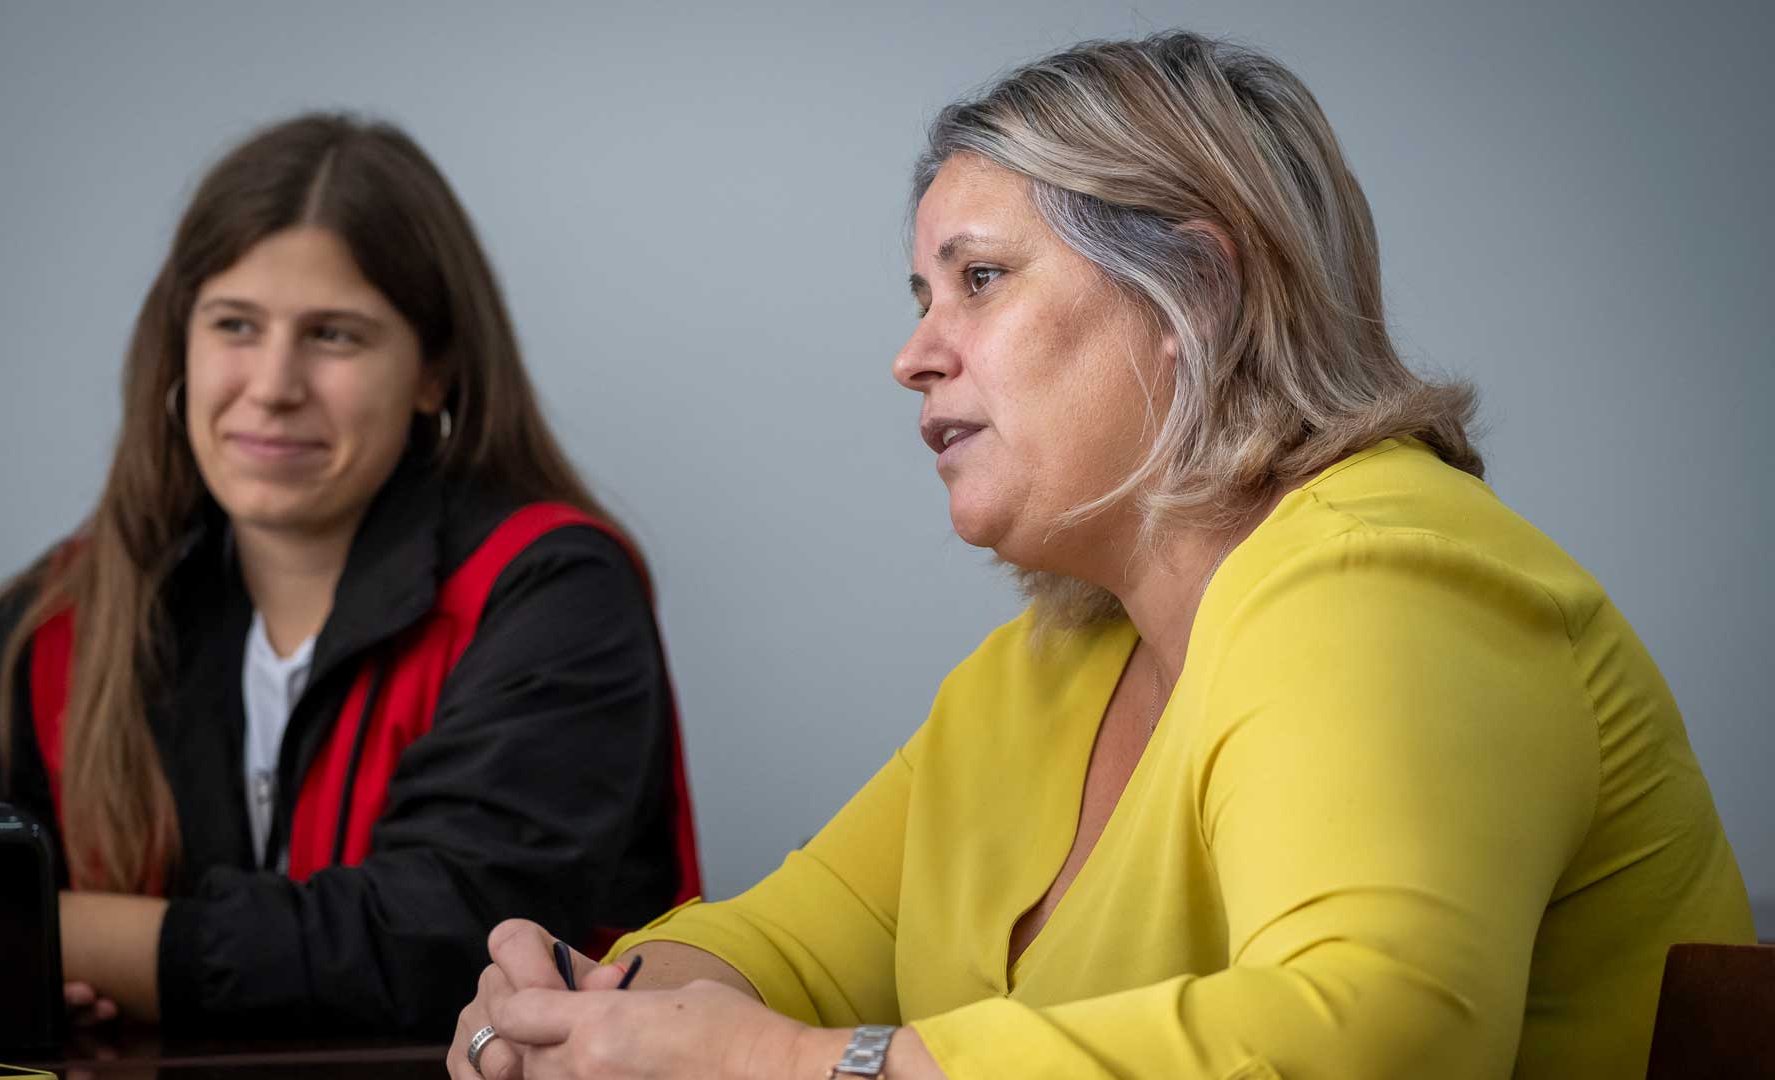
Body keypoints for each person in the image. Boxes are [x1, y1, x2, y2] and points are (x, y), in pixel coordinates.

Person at [448, 31, 1754, 1080]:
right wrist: (592, 1018)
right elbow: (777, 944)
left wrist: (816, 1068)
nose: (913, 353)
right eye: (919, 298)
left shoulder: (1389, 580)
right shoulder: (1044, 670)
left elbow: (1379, 1037)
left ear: (1198, 294)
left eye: (978, 279)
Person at [0, 113, 700, 1039]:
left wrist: (49, 935)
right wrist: (9, 980)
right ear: (181, 348)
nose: (274, 383)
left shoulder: (554, 589)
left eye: (334, 336)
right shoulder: (63, 618)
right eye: (235, 324)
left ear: (433, 372)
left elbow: (433, 950)